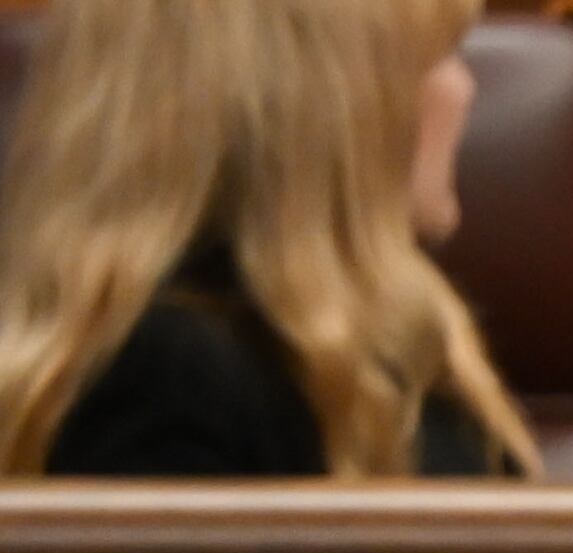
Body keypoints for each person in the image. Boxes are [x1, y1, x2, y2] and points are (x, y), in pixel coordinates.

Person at [0, 0, 538, 480]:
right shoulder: (168, 383)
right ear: (329, 103)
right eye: (434, 57)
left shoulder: (404, 327)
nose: (464, 90)